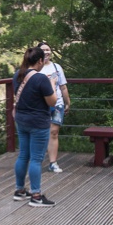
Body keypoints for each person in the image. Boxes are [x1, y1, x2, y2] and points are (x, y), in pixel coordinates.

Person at [12, 46, 59, 207]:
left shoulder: (17, 76)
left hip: (21, 120)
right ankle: (36, 195)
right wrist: (52, 84)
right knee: (36, 159)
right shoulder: (41, 79)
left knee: (23, 155)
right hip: (38, 122)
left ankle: (19, 191)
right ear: (39, 61)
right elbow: (52, 102)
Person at [37, 42, 71, 173]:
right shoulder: (35, 68)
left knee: (54, 132)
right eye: (43, 50)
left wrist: (68, 102)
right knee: (40, 133)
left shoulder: (57, 67)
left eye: (48, 50)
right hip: (40, 106)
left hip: (57, 105)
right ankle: (37, 161)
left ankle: (53, 162)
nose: (46, 52)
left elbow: (63, 86)